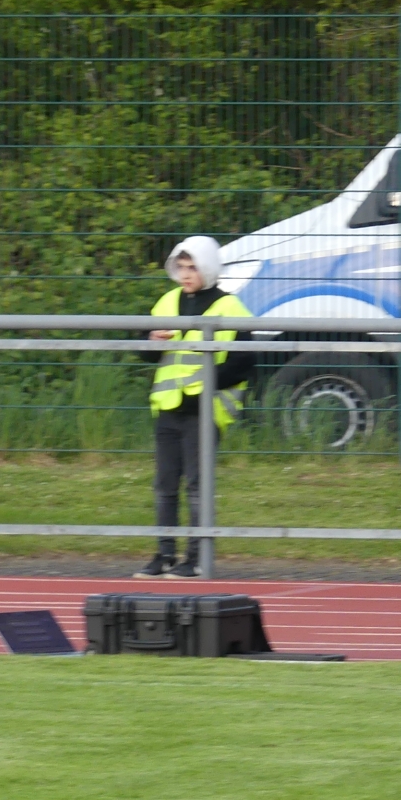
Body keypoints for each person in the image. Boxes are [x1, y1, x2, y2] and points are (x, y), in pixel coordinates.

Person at [134, 236, 256, 579]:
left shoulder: (230, 307)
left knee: (197, 486)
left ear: (209, 268)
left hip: (205, 410)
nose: (186, 274)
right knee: (165, 485)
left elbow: (245, 361)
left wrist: (205, 384)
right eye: (182, 267)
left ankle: (196, 557)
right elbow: (144, 351)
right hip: (168, 408)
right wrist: (152, 341)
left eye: (193, 267)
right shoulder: (167, 301)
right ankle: (164, 554)